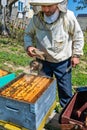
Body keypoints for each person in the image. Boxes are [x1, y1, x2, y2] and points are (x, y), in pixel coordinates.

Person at [24, 0, 84, 108]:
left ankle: (65, 116)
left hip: (63, 62)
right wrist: (29, 46)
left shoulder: (67, 16)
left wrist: (76, 55)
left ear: (57, 4)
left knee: (65, 91)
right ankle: (44, 112)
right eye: (43, 6)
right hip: (43, 60)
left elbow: (78, 36)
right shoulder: (37, 18)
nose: (46, 9)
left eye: (49, 6)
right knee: (42, 88)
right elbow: (28, 34)